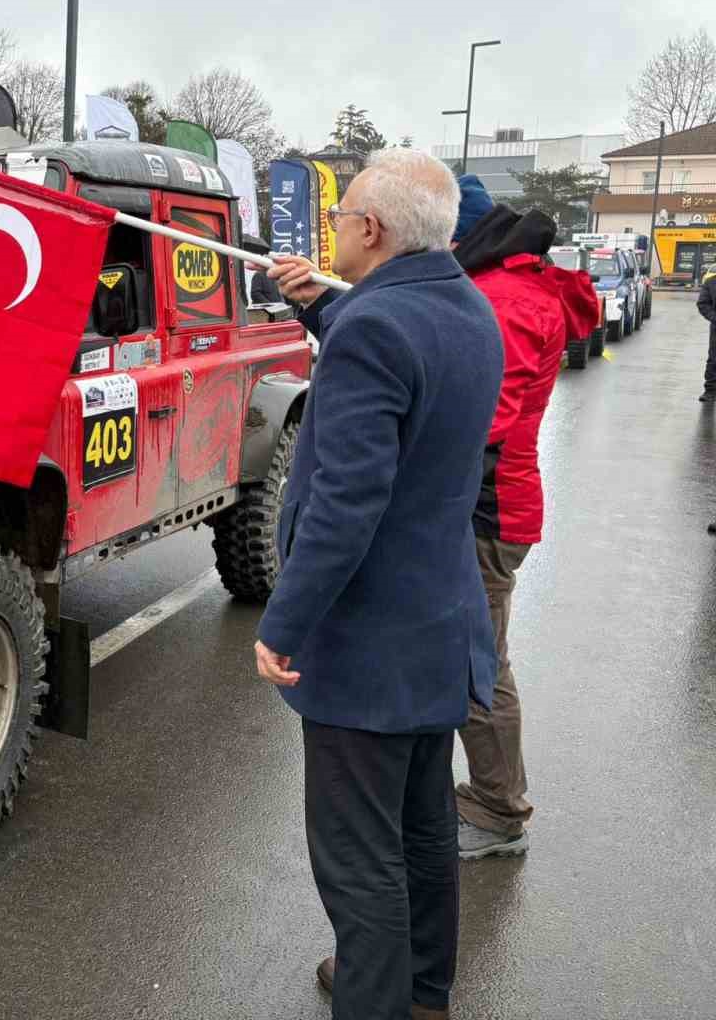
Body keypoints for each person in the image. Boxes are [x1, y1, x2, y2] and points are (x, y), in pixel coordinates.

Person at [257, 149, 504, 1020]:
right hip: (438, 629)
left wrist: (283, 622)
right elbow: (400, 354)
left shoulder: (374, 328)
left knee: (359, 858)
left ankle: (377, 998)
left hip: (368, 646)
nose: (330, 228)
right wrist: (320, 304)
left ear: (371, 228)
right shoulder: (466, 306)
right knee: (424, 829)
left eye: (340, 216)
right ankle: (424, 992)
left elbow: (345, 503)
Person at [449, 180, 598, 861]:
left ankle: (497, 810)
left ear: (459, 236)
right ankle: (488, 796)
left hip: (489, 509)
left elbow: (482, 419)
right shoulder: (503, 287)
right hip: (492, 503)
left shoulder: (503, 299)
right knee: (470, 656)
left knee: (477, 663)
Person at [697, 265, 716, 403]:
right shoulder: (711, 282)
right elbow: (703, 304)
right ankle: (710, 390)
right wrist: (714, 317)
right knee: (714, 359)